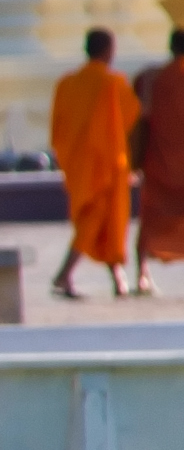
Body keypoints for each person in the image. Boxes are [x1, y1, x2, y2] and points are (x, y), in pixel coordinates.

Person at [53, 28, 143, 299]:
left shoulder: (67, 84)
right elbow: (133, 117)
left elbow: (58, 129)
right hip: (107, 165)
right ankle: (64, 275)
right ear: (108, 51)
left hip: (80, 165)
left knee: (107, 222)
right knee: (98, 220)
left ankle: (117, 278)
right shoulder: (112, 83)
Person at [134, 28, 184, 276]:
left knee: (151, 216)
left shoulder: (153, 77)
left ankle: (142, 272)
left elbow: (140, 116)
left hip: (159, 161)